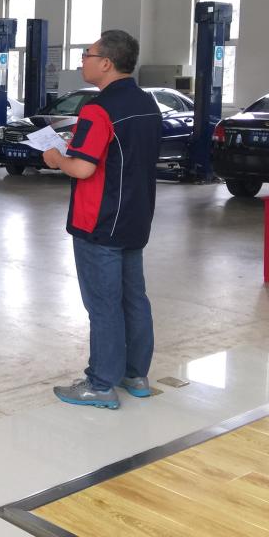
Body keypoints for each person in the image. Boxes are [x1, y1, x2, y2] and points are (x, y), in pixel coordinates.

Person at [43, 31, 161, 410]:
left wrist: (56, 159)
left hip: (99, 220)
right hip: (135, 217)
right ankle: (135, 375)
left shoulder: (99, 109)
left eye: (88, 54)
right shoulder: (147, 103)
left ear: (106, 63)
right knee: (134, 298)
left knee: (104, 304)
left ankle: (100, 383)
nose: (83, 60)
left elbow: (82, 168)